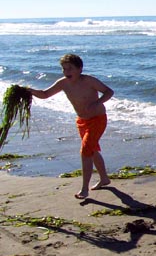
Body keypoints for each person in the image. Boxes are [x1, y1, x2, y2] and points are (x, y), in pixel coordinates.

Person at [29, 54, 114, 199]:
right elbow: (45, 94)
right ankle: (104, 179)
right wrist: (29, 90)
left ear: (80, 69)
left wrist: (97, 103)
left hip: (98, 119)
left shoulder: (89, 80)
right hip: (82, 120)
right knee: (92, 150)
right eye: (64, 69)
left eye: (70, 68)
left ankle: (84, 189)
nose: (66, 72)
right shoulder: (63, 83)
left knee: (86, 150)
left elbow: (109, 92)